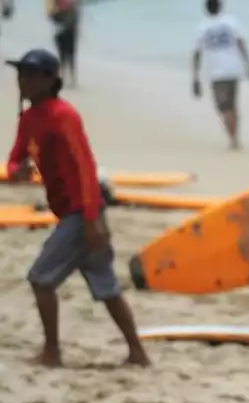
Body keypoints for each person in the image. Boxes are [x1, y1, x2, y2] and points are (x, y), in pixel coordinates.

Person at [5, 49, 149, 367]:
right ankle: (137, 353)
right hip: (74, 213)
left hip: (81, 212)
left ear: (49, 80)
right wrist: (17, 169)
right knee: (106, 285)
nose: (22, 81)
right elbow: (16, 156)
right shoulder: (29, 118)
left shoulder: (63, 115)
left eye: (29, 75)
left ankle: (52, 352)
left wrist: (90, 220)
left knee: (41, 279)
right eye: (20, 74)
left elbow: (85, 168)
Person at [192, 0, 249, 150]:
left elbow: (197, 53)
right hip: (233, 69)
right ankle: (235, 137)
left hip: (217, 72)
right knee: (232, 105)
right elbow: (241, 43)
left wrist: (195, 76)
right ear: (220, 7)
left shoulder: (203, 27)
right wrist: (248, 64)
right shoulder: (231, 22)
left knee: (224, 107)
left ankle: (233, 139)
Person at [44, 0, 77, 88]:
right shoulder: (56, 6)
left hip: (67, 32)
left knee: (68, 57)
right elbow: (51, 16)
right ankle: (68, 79)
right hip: (64, 32)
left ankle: (70, 80)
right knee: (67, 57)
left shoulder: (65, 7)